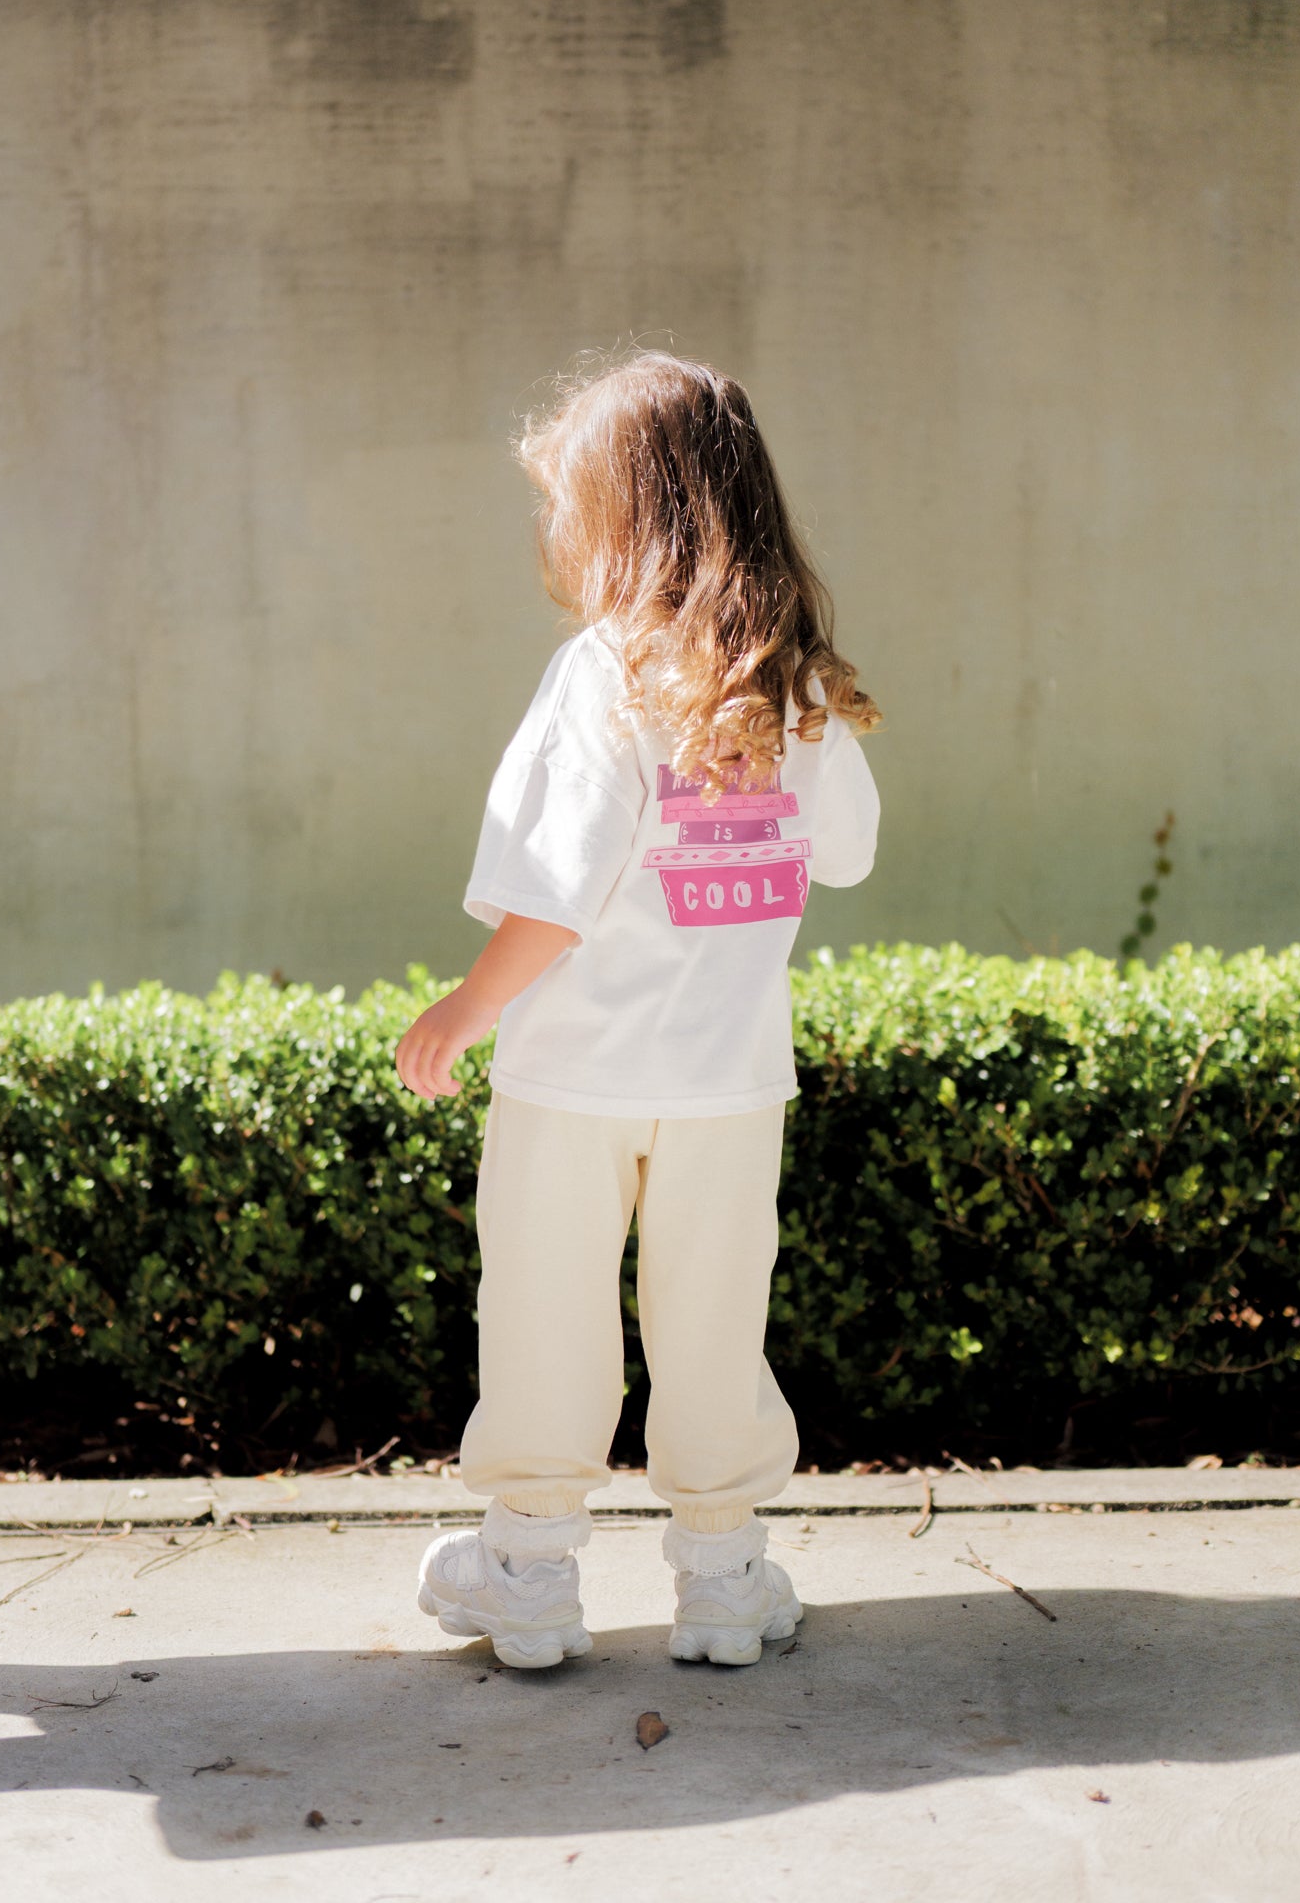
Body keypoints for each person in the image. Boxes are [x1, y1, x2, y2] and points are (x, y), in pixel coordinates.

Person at [395, 350, 881, 1669]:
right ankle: (722, 1576)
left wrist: (464, 1008)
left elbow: (553, 893)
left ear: (618, 515)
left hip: (572, 1078)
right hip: (727, 1078)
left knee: (546, 1307)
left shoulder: (602, 672)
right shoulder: (802, 684)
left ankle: (529, 1573)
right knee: (715, 1318)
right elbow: (842, 853)